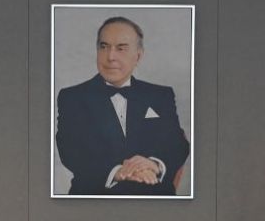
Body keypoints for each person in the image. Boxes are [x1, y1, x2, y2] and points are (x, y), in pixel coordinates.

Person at [55, 16, 190, 196]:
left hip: (155, 197)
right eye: (104, 47)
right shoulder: (72, 97)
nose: (110, 57)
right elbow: (70, 151)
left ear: (138, 56)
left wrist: (154, 164)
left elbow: (177, 143)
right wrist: (117, 172)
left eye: (121, 48)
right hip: (95, 198)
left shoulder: (160, 95)